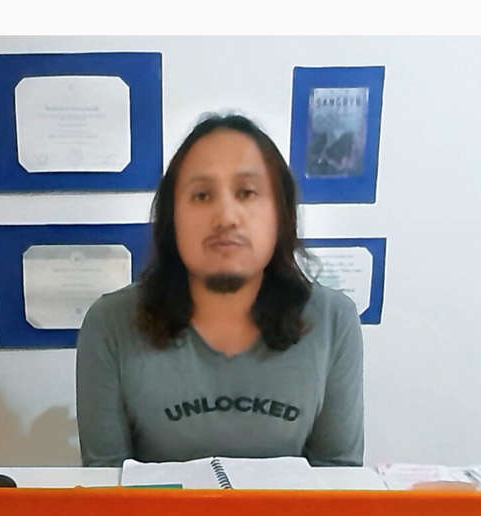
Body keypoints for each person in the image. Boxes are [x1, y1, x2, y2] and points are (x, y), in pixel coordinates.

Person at [75, 113, 363, 467]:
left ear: (281, 214)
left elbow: (338, 477)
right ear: (172, 219)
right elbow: (106, 482)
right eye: (202, 195)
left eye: (247, 192)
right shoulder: (110, 324)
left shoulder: (333, 321)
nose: (226, 217)